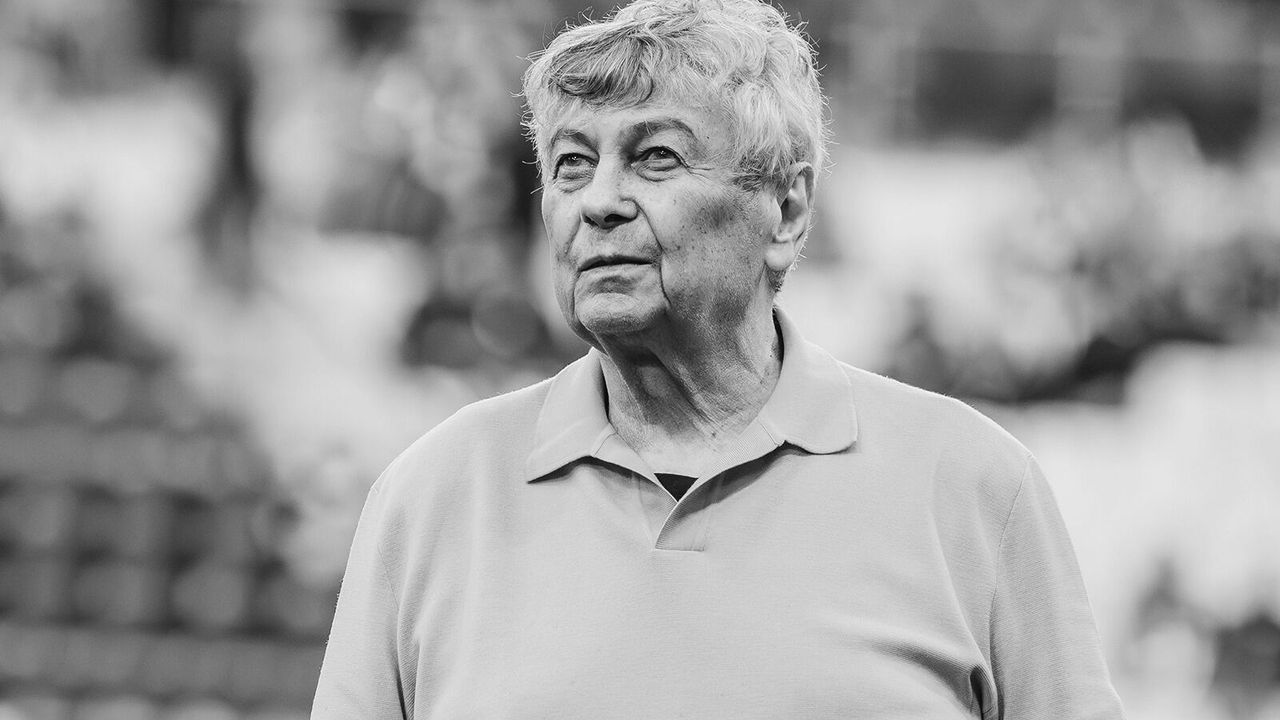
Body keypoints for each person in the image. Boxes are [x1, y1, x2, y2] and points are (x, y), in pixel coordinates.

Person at [311, 0, 1127, 717]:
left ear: (786, 210)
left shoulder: (974, 489)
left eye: (655, 157)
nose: (598, 201)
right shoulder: (431, 498)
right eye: (571, 163)